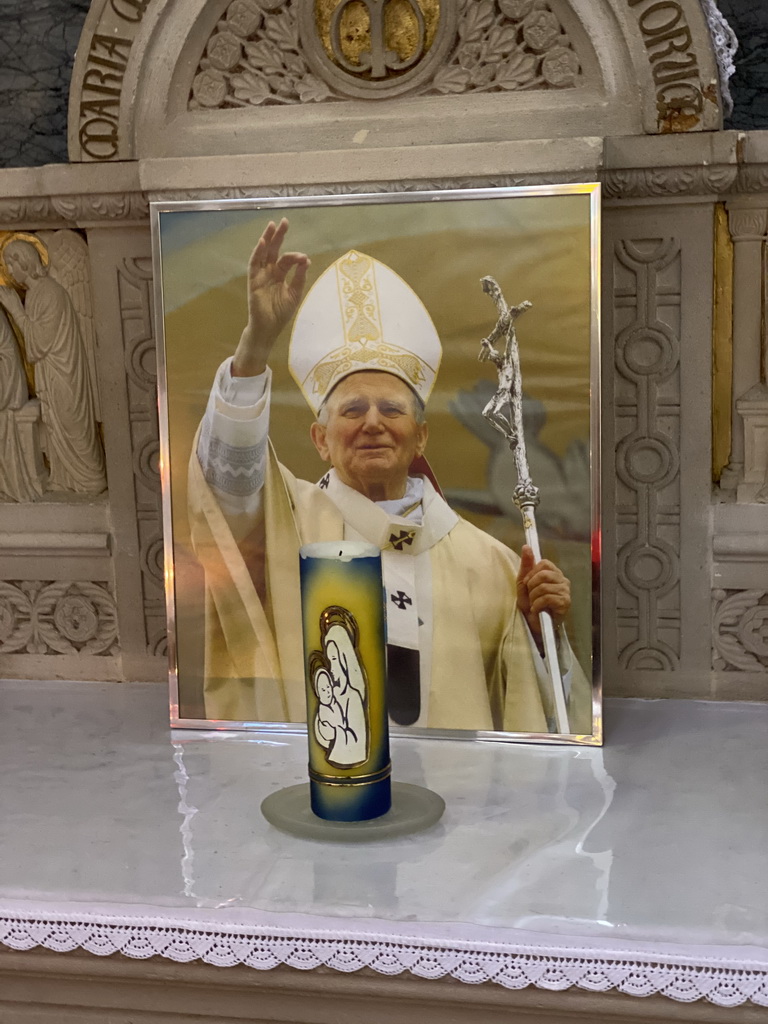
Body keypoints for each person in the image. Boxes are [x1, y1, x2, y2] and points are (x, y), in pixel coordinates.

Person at [190, 219, 590, 733]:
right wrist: (255, 347)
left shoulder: (491, 565)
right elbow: (225, 486)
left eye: (391, 409)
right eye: (352, 409)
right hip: (323, 793)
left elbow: (535, 708)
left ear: (420, 437)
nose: (373, 422)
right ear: (320, 440)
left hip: (457, 800)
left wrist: (542, 633)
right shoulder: (282, 528)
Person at [0, 240, 105, 495]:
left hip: (64, 373)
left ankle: (91, 478)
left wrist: (15, 309)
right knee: (57, 426)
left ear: (25, 262)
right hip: (51, 371)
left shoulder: (49, 292)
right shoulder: (36, 293)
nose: (10, 272)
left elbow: (38, 342)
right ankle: (64, 479)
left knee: (71, 423)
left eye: (12, 265)